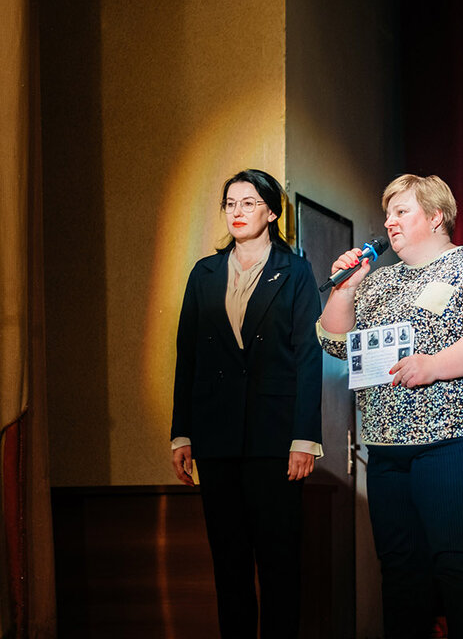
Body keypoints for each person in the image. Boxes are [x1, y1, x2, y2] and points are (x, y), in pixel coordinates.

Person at [316, 174, 463, 639]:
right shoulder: (379, 281)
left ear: (435, 216)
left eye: (401, 211)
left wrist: (435, 366)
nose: (389, 222)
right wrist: (345, 289)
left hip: (459, 441)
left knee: (456, 563)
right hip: (388, 448)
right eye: (387, 213)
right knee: (401, 570)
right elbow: (331, 342)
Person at [170, 168, 323, 639]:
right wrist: (183, 431)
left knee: (279, 564)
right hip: (216, 438)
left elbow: (308, 358)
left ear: (272, 211)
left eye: (249, 202)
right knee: (228, 564)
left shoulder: (295, 271)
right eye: (230, 203)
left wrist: (306, 437)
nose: (237, 212)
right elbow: (188, 356)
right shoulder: (204, 273)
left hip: (275, 438)